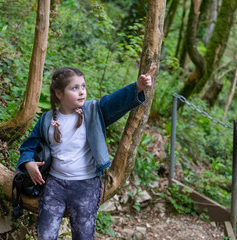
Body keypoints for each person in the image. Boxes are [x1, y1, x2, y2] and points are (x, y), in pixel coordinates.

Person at [16, 65, 156, 240]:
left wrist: (138, 87)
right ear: (59, 94)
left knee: (84, 235)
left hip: (86, 185)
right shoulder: (46, 120)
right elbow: (29, 145)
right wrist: (28, 163)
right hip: (54, 184)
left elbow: (115, 101)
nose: (82, 91)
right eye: (75, 88)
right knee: (45, 234)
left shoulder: (94, 110)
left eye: (83, 86)